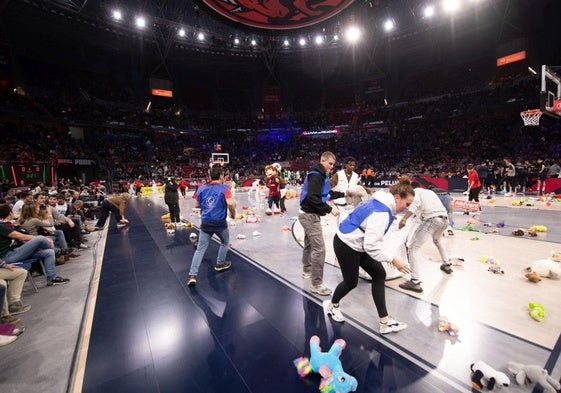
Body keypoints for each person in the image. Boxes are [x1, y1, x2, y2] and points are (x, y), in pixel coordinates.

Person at [323, 177, 414, 334]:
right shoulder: (382, 212)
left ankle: (384, 322)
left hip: (357, 243)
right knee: (351, 282)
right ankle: (332, 304)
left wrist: (386, 255)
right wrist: (393, 259)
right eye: (407, 204)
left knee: (379, 274)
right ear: (397, 197)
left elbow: (373, 239)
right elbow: (371, 246)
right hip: (346, 244)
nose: (407, 208)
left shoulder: (382, 201)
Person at [398, 182, 457, 293]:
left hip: (432, 220)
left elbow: (415, 205)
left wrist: (404, 218)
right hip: (444, 220)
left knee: (412, 248)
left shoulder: (416, 192)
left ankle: (415, 282)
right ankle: (446, 264)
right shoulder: (429, 192)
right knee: (437, 240)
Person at [186, 166, 236, 286]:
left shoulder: (201, 189)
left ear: (210, 177)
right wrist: (233, 214)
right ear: (221, 176)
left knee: (200, 249)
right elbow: (231, 203)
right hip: (220, 224)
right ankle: (220, 264)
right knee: (225, 241)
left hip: (206, 223)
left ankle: (192, 275)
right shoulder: (225, 188)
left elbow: (197, 205)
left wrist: (207, 206)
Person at [299, 151, 340, 296]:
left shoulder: (319, 175)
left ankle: (307, 270)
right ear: (322, 160)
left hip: (306, 214)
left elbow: (326, 194)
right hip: (310, 216)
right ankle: (316, 284)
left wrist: (344, 194)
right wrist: (329, 209)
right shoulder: (316, 175)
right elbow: (313, 198)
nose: (332, 167)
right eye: (330, 163)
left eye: (333, 164)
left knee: (309, 243)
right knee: (319, 249)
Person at [0, 204, 69, 287]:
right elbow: (21, 236)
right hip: (7, 257)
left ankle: (52, 279)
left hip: (16, 251)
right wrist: (44, 239)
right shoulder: (1, 226)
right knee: (40, 238)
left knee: (49, 252)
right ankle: (58, 250)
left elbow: (22, 238)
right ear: (10, 213)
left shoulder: (11, 224)